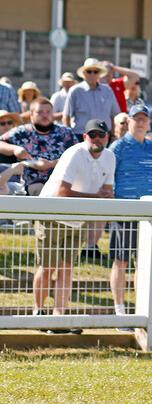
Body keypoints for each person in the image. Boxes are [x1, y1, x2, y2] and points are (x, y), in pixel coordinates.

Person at [32, 119, 115, 333]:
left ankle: (59, 317)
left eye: (101, 134)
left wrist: (101, 197)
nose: (97, 138)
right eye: (92, 134)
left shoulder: (110, 156)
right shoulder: (75, 153)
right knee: (48, 266)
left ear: (107, 137)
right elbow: (62, 192)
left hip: (78, 218)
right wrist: (96, 197)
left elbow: (107, 191)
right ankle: (38, 314)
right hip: (52, 214)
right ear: (85, 137)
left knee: (67, 268)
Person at [107, 105, 152, 329]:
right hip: (125, 210)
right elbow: (109, 178)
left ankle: (143, 312)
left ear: (148, 123)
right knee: (121, 261)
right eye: (136, 119)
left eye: (144, 119)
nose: (140, 123)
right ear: (128, 122)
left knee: (144, 264)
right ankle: (120, 312)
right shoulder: (117, 147)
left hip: (150, 213)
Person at [0, 97, 77, 195]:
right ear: (31, 115)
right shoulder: (21, 132)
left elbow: (76, 156)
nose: (45, 115)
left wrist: (51, 163)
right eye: (40, 112)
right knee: (40, 191)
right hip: (33, 181)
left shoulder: (65, 133)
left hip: (62, 180)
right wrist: (15, 149)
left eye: (48, 112)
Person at [63, 58, 121, 139]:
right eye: (89, 71)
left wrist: (113, 134)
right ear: (84, 73)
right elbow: (66, 117)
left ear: (99, 74)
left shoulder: (107, 90)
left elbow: (114, 115)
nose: (92, 74)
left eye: (95, 71)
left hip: (104, 135)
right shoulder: (75, 91)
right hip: (81, 136)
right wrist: (70, 137)